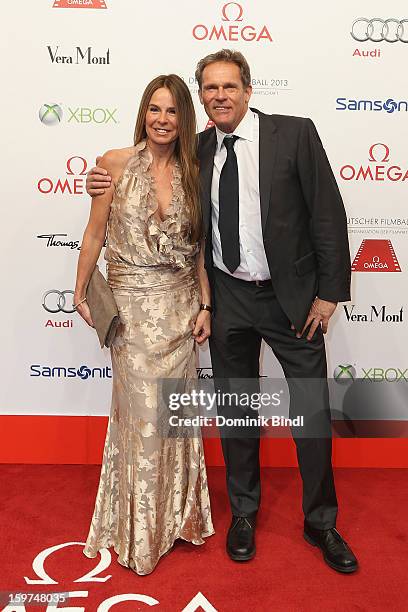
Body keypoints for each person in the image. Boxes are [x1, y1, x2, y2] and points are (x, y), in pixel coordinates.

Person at [86, 50, 358, 574]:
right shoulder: (195, 150)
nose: (219, 97)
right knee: (237, 412)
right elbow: (147, 179)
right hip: (229, 297)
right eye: (209, 89)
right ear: (201, 98)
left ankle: (321, 521)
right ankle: (244, 515)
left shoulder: (295, 134)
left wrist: (330, 294)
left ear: (248, 90)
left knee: (312, 413)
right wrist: (101, 182)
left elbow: (329, 213)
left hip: (294, 299)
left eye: (229, 87)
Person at [74, 74, 214, 576]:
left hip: (180, 311)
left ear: (183, 119)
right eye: (155, 109)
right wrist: (80, 290)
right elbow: (93, 234)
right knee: (144, 421)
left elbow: (199, 248)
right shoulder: (113, 163)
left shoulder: (194, 172)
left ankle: (177, 519)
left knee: (176, 421)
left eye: (172, 111)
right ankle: (139, 530)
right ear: (143, 112)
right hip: (132, 313)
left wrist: (205, 304)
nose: (162, 119)